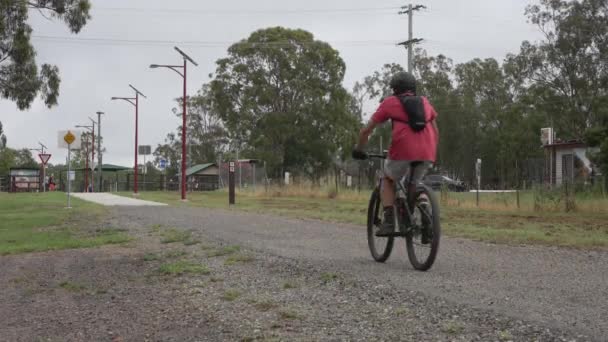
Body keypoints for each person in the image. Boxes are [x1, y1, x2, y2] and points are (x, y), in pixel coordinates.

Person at [353, 71, 439, 237]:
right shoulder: (425, 102)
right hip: (428, 149)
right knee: (414, 184)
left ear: (395, 89)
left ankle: (389, 222)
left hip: (402, 149)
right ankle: (426, 212)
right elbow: (436, 131)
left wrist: (359, 149)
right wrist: (430, 151)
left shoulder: (390, 102)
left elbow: (366, 131)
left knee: (388, 179)